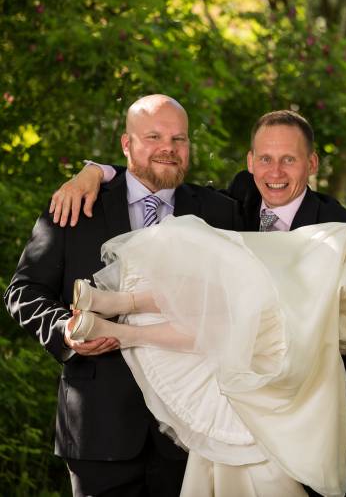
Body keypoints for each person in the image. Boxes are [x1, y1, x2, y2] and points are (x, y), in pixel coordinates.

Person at [46, 109, 346, 496]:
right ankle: (120, 303)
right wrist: (96, 171)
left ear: (312, 164)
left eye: (289, 159)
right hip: (221, 397)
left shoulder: (338, 226)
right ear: (250, 162)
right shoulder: (237, 200)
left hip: (298, 397)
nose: (275, 172)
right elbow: (152, 168)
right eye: (265, 159)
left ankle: (119, 316)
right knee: (203, 283)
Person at [3, 94, 242, 497]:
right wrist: (64, 331)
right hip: (99, 426)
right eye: (154, 137)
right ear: (127, 144)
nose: (168, 148)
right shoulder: (75, 204)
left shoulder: (220, 213)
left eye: (179, 139)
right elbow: (23, 291)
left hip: (194, 430)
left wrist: (97, 169)